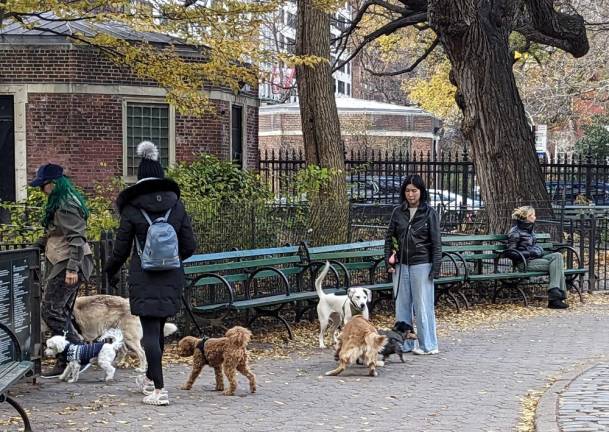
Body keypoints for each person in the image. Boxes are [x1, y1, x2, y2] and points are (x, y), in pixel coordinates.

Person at [105, 141, 196, 406]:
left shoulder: (132, 209)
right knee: (157, 330)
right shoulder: (176, 207)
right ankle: (148, 379)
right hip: (171, 276)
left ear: (140, 178)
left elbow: (121, 248)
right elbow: (190, 245)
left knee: (149, 333)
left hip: (143, 277)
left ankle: (159, 389)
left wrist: (111, 271)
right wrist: (172, 261)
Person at [30, 163, 93, 376]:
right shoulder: (61, 201)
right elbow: (54, 232)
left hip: (68, 263)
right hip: (63, 261)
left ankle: (79, 353)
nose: (41, 189)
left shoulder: (65, 205)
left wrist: (72, 269)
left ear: (54, 184)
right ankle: (68, 357)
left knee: (51, 310)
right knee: (61, 312)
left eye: (43, 185)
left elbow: (76, 238)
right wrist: (37, 245)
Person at [384, 174, 441, 355]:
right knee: (402, 305)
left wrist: (435, 268)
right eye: (407, 191)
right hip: (401, 265)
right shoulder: (397, 212)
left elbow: (436, 242)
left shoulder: (429, 213)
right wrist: (389, 261)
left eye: (414, 191)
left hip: (422, 263)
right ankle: (404, 343)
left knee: (422, 305)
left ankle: (428, 345)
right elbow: (389, 238)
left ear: (421, 192)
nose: (411, 194)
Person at [507, 206, 568, 309]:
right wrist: (530, 253)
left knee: (557, 256)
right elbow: (510, 252)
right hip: (524, 263)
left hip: (534, 259)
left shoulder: (529, 229)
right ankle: (555, 298)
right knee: (557, 266)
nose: (535, 217)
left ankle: (555, 294)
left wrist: (538, 250)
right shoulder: (515, 232)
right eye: (533, 215)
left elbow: (532, 246)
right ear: (527, 217)